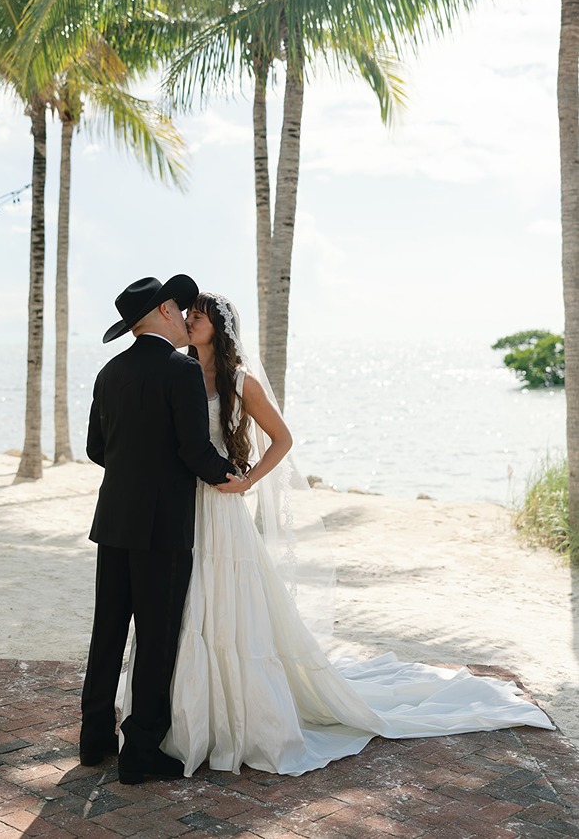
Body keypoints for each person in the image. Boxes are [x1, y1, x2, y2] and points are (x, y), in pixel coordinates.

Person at [121, 291, 554, 777]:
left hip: (220, 508)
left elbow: (282, 439)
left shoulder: (240, 381)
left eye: (196, 317)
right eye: (188, 317)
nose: (188, 322)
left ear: (217, 328)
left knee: (221, 607)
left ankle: (229, 722)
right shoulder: (175, 373)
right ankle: (174, 720)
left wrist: (247, 480)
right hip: (180, 507)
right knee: (175, 611)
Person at [80, 275, 243, 785]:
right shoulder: (181, 372)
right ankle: (141, 750)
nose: (181, 315)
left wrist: (134, 471)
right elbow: (195, 450)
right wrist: (228, 477)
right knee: (155, 638)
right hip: (164, 527)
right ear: (165, 314)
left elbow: (95, 449)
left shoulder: (109, 372)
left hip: (113, 522)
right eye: (176, 307)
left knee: (107, 631)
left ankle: (94, 739)